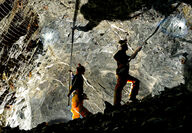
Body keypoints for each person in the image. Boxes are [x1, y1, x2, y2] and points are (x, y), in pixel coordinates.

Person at [113, 39, 142, 106]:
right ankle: (116, 104)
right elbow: (115, 57)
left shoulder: (123, 54)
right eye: (126, 46)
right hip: (121, 73)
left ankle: (132, 97)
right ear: (124, 47)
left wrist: (136, 51)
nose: (127, 47)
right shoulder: (120, 52)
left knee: (135, 81)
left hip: (124, 74)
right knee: (119, 87)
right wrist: (123, 63)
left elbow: (131, 57)